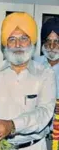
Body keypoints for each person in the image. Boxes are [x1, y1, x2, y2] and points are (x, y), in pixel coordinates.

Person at [0, 12, 57, 150]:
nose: (18, 44)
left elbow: (44, 113)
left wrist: (12, 125)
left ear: (33, 42)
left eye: (24, 38)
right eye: (12, 39)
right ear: (4, 43)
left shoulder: (45, 74)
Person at [33, 17, 59, 149]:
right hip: (37, 136)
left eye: (57, 42)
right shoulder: (34, 64)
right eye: (48, 42)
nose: (52, 47)